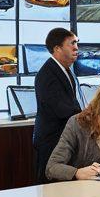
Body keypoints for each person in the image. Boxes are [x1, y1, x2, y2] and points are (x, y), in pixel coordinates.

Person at [32, 27, 82, 181]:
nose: (76, 48)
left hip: (64, 140)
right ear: (57, 49)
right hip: (52, 142)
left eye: (76, 43)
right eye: (72, 43)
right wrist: (90, 116)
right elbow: (64, 110)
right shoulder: (48, 74)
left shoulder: (64, 70)